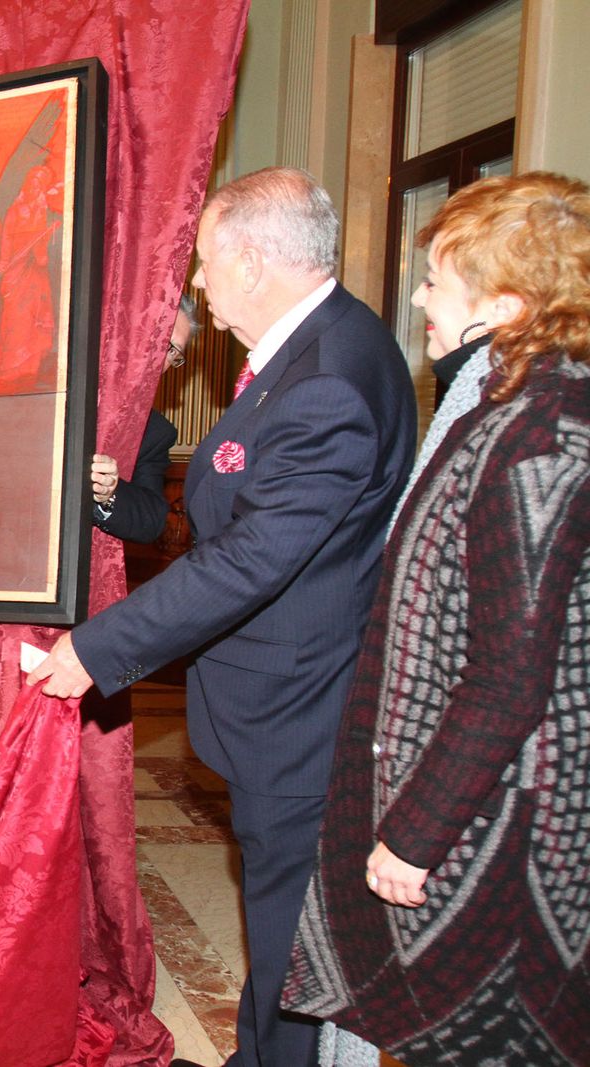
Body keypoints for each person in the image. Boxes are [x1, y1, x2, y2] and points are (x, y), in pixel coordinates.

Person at [31, 167, 417, 1067]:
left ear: (250, 260)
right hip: (287, 690)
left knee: (293, 918)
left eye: (206, 263)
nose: (199, 284)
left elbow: (252, 556)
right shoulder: (322, 345)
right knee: (284, 912)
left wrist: (98, 646)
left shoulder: (327, 380)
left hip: (301, 705)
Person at [284, 172, 590, 1065]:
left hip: (507, 821)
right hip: (476, 799)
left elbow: (510, 670)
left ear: (504, 301)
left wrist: (416, 834)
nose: (417, 295)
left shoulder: (542, 436)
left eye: (436, 278)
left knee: (494, 1032)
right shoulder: (510, 401)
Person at [90, 293, 196, 543]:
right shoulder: (51, 383)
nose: (161, 356)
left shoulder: (155, 431)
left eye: (173, 351)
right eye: (158, 338)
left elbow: (152, 520)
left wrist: (109, 493)